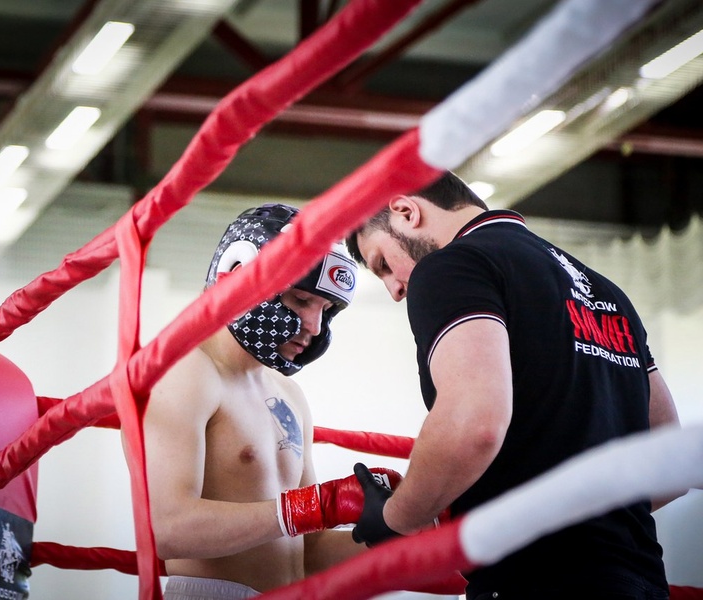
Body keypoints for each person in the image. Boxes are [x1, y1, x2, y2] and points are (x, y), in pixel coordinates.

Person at [345, 171, 685, 600]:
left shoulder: (452, 265)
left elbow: (475, 423)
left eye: (382, 264)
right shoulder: (605, 291)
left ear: (406, 212)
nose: (395, 288)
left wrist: (397, 518)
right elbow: (668, 459)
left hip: (537, 581)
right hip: (639, 581)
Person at [143, 203, 399, 599]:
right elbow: (168, 529)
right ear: (239, 277)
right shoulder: (184, 374)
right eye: (300, 300)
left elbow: (308, 551)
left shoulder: (286, 393)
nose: (314, 328)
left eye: (326, 310)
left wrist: (401, 526)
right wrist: (315, 506)